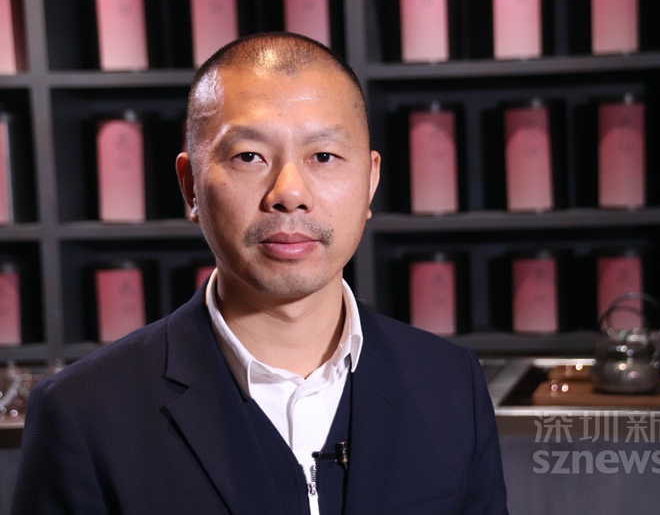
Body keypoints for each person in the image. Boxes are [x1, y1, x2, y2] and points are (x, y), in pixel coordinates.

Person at [12, 32, 507, 515]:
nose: (289, 193)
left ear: (371, 180)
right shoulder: (83, 411)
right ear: (190, 186)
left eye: (324, 156)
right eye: (249, 156)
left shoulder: (449, 383)